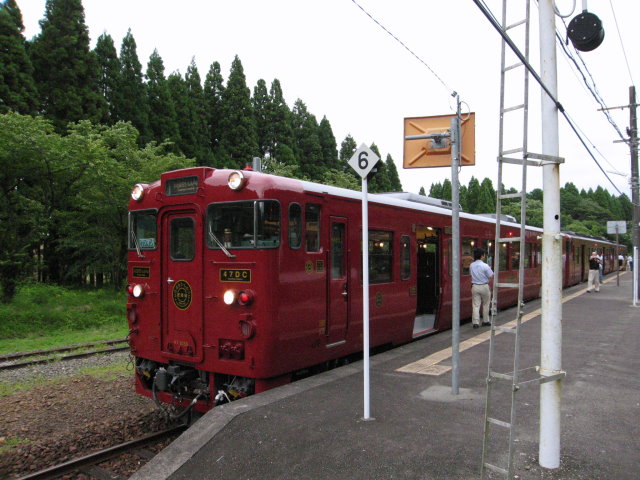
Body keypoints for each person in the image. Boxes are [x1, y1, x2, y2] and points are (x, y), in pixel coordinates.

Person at [470, 247, 494, 328]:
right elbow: (491, 275)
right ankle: (485, 321)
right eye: (484, 255)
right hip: (484, 286)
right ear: (482, 256)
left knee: (476, 305)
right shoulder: (485, 265)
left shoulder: (471, 265)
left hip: (475, 286)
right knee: (486, 304)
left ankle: (475, 323)